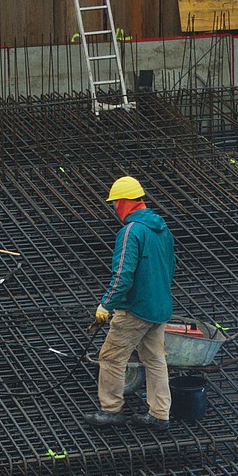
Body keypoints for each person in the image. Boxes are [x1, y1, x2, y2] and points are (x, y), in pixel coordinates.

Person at [84, 175, 176, 432]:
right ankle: (160, 413)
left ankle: (110, 409)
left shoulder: (131, 231)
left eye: (115, 203)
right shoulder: (162, 228)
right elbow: (171, 266)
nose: (114, 208)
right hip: (159, 308)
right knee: (155, 359)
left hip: (135, 309)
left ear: (124, 202)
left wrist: (106, 305)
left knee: (111, 357)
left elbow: (123, 273)